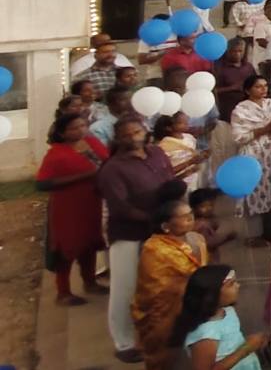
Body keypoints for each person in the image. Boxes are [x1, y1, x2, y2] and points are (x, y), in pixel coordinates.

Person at [100, 118, 183, 364]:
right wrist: (153, 219)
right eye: (127, 134)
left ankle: (164, 331)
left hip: (163, 228)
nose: (134, 136)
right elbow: (120, 207)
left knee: (162, 283)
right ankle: (123, 342)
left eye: (137, 130)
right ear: (119, 139)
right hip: (129, 233)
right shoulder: (112, 169)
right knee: (125, 287)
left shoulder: (157, 153)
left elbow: (170, 180)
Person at [35, 110, 109, 305]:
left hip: (92, 202)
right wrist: (83, 177)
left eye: (82, 126)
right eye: (74, 128)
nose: (80, 130)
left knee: (90, 243)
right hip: (67, 207)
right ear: (62, 133)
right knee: (66, 247)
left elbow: (106, 162)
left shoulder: (92, 143)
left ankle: (90, 282)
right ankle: (63, 292)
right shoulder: (56, 154)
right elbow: (42, 184)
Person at [134, 195, 208, 370]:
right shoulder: (154, 249)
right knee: (169, 357)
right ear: (166, 226)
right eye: (183, 217)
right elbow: (158, 289)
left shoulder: (196, 238)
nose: (190, 219)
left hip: (193, 305)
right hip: (166, 312)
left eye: (190, 214)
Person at [172, 265, 268, 370]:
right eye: (231, 284)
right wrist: (246, 348)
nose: (238, 286)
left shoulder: (227, 311)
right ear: (212, 294)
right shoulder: (206, 333)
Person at [231, 75, 271, 227]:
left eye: (265, 86)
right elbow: (239, 137)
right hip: (253, 153)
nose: (264, 89)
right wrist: (265, 129)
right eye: (258, 86)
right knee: (255, 188)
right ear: (247, 90)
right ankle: (255, 228)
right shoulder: (241, 109)